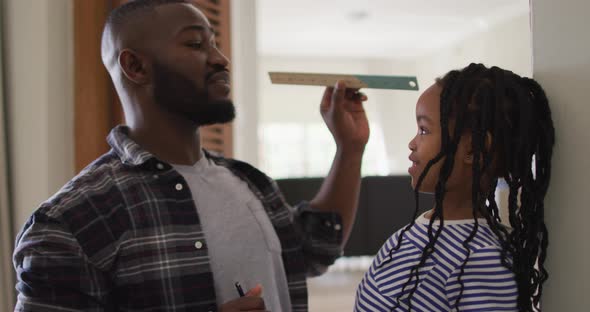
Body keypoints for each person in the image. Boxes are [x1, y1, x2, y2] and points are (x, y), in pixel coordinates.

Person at [12, 0, 370, 311]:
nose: (221, 59)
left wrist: (350, 149)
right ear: (135, 67)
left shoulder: (250, 182)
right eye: (196, 43)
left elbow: (315, 247)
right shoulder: (70, 222)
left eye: (214, 43)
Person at [355, 63, 554, 312]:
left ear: (474, 149)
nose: (411, 143)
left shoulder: (482, 257)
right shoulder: (416, 232)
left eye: (424, 130)